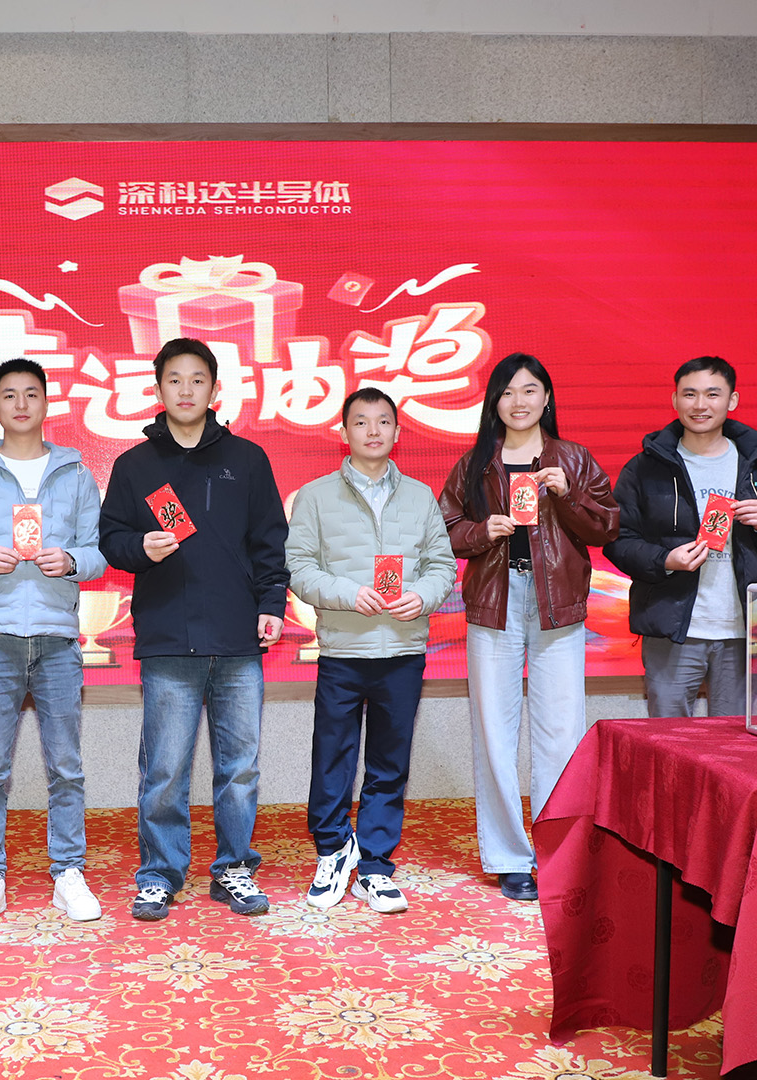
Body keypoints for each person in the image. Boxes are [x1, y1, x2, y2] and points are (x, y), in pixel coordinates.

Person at [99, 338, 290, 921]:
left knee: (240, 768)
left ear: (215, 389)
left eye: (197, 379)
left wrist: (271, 603)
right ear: (158, 388)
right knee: (164, 769)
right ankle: (159, 873)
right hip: (168, 639)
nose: (186, 390)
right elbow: (110, 540)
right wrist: (141, 546)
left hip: (237, 640)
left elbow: (269, 543)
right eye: (174, 380)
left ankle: (234, 868)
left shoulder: (247, 459)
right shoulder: (135, 465)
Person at [439, 353, 619, 903]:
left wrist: (569, 493)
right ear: (494, 402)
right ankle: (509, 858)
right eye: (507, 392)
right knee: (494, 733)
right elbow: (443, 530)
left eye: (529, 390)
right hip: (495, 603)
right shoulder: (475, 463)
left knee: (561, 733)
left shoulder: (573, 458)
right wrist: (481, 532)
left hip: (556, 604)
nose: (518, 402)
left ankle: (558, 852)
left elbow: (607, 527)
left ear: (547, 397)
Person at [286, 387, 457, 913]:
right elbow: (298, 567)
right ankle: (333, 851)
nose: (373, 431)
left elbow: (442, 565)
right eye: (361, 422)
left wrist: (422, 596)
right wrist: (346, 593)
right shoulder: (315, 496)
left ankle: (376, 867)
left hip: (403, 650)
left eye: (383, 421)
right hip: (343, 649)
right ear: (343, 432)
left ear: (398, 432)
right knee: (332, 759)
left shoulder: (421, 497)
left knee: (389, 763)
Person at [0, 358, 107, 927]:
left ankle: (68, 872)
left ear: (47, 402)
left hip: (58, 638)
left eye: (31, 394)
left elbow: (98, 551)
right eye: (10, 394)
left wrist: (71, 561)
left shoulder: (75, 472)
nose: (21, 404)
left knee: (66, 765)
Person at [603, 356, 757, 720]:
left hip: (740, 630)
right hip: (670, 627)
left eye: (712, 394)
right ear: (675, 400)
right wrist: (665, 560)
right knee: (668, 738)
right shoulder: (645, 467)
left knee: (733, 739)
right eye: (689, 394)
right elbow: (617, 540)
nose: (700, 405)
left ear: (732, 400)